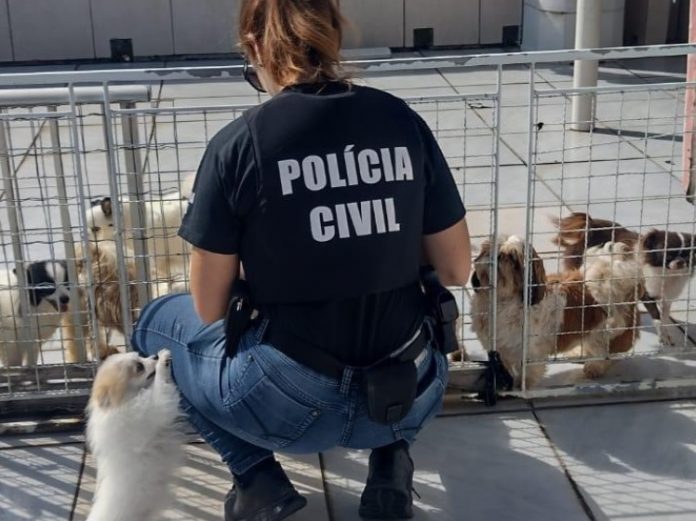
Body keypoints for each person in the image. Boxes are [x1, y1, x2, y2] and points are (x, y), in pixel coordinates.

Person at [132, 0, 471, 520]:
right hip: (407, 393)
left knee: (155, 326)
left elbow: (207, 307)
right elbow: (455, 269)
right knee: (404, 325)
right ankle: (391, 462)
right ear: (334, 37)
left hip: (289, 405)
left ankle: (256, 478)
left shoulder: (239, 145)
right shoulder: (400, 121)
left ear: (255, 46)